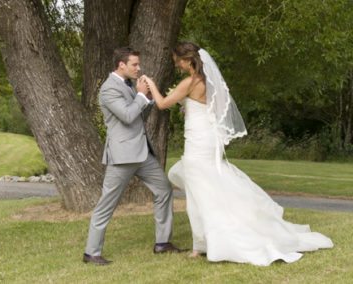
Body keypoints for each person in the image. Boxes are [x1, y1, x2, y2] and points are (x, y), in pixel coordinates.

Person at [141, 42, 333, 266]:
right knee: (206, 185)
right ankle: (201, 243)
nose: (177, 63)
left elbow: (163, 104)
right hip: (207, 137)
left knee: (199, 191)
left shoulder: (190, 82)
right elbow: (209, 107)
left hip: (198, 141)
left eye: (178, 60)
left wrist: (152, 85)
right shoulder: (207, 82)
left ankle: (203, 244)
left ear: (187, 60)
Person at [83, 47, 183, 266]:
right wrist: (140, 95)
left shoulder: (128, 85)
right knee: (107, 203)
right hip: (122, 156)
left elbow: (139, 115)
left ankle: (162, 242)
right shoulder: (108, 89)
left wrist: (145, 98)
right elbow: (128, 116)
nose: (139, 68)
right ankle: (91, 252)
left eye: (138, 64)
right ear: (121, 65)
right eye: (134, 65)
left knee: (164, 190)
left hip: (142, 153)